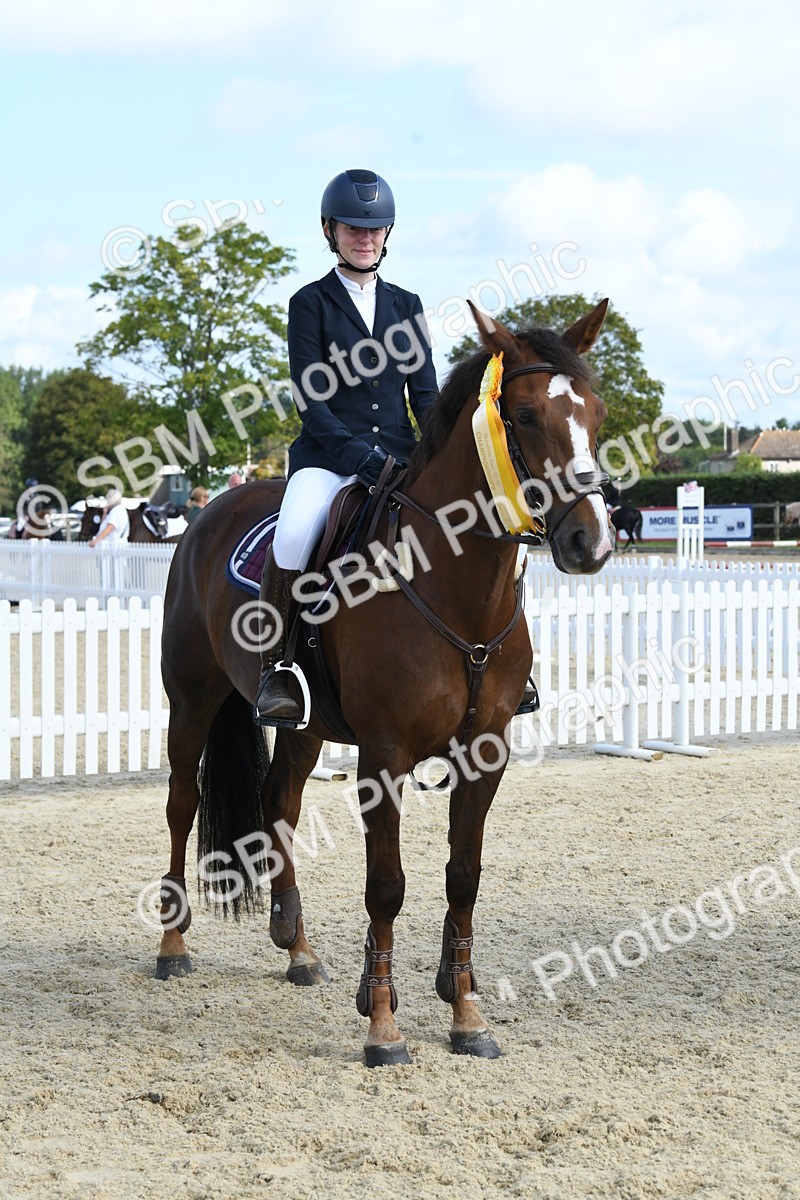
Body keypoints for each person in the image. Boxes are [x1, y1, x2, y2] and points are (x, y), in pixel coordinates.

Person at [254, 168, 439, 726]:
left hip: (401, 459)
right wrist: (358, 457)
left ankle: (498, 659)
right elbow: (313, 401)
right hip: (329, 460)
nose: (365, 238)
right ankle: (279, 671)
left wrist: (442, 449)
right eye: (353, 229)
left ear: (387, 234)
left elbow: (426, 397)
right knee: (291, 535)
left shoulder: (408, 304)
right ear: (330, 231)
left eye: (375, 228)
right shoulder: (309, 303)